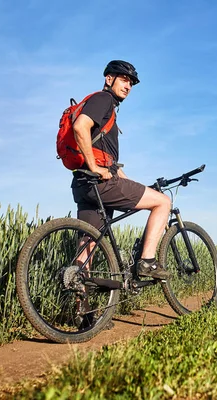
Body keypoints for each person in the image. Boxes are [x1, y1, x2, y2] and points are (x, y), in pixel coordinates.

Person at [71, 60, 171, 280]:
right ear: (109, 79)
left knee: (87, 248)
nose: (128, 86)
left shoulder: (104, 108)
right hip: (99, 182)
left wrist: (135, 185)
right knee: (163, 202)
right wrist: (94, 166)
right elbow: (80, 126)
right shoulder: (103, 99)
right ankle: (147, 263)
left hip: (83, 185)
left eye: (131, 83)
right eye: (124, 80)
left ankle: (83, 312)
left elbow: (111, 165)